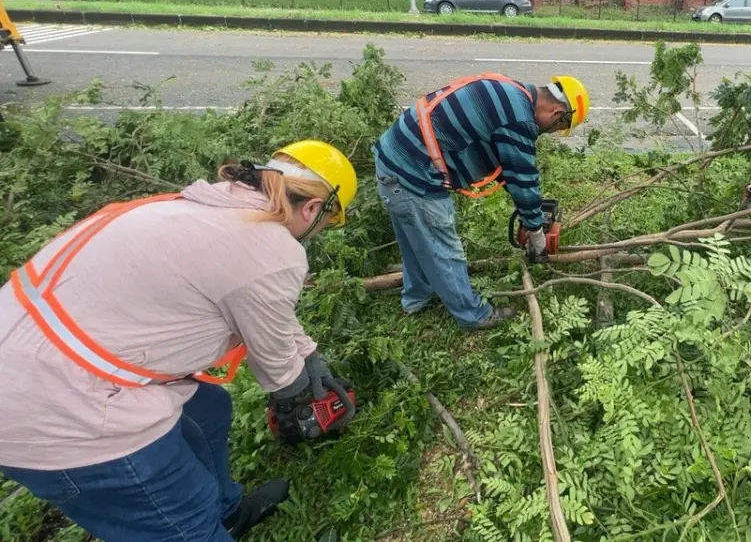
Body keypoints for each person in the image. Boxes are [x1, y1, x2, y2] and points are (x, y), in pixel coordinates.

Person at [0, 140, 359, 542]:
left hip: (34, 361)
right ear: (312, 210)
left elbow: (255, 300)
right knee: (182, 524)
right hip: (61, 410)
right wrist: (293, 395)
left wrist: (308, 353)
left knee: (208, 409)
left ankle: (227, 511)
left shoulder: (209, 205)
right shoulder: (270, 246)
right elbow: (276, 364)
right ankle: (202, 524)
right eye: (327, 223)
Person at [373, 72, 590, 330]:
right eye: (558, 128)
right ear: (556, 113)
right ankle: (473, 316)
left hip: (393, 160)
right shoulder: (519, 119)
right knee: (444, 249)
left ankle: (417, 298)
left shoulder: (512, 91)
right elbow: (522, 178)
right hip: (414, 172)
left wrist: (530, 214)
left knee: (417, 241)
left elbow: (511, 170)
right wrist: (536, 232)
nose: (552, 132)